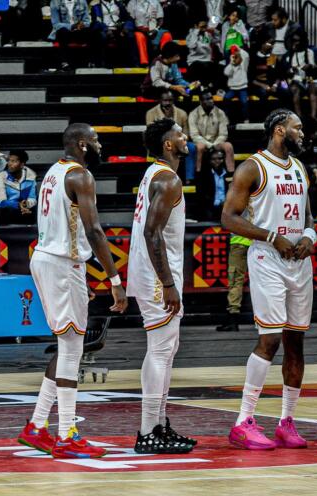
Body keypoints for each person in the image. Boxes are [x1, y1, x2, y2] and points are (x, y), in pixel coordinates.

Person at [17, 123, 127, 459]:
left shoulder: (53, 171)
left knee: (69, 346)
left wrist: (80, 275)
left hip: (52, 260)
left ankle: (37, 426)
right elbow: (94, 230)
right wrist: (114, 280)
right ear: (82, 144)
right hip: (61, 264)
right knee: (71, 349)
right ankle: (67, 434)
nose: (99, 145)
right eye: (95, 140)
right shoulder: (81, 176)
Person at [222, 109, 315, 450]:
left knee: (295, 342)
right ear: (279, 130)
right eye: (297, 128)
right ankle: (243, 421)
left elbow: (307, 216)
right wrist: (272, 237)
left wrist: (309, 236)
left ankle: (286, 422)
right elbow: (228, 218)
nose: (302, 133)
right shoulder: (253, 167)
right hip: (267, 258)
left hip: (298, 261)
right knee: (270, 339)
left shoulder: (299, 167)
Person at [127, 118, 195, 454]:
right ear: (168, 144)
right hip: (157, 275)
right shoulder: (168, 179)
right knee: (160, 349)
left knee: (166, 348)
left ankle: (159, 424)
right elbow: (151, 233)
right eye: (180, 134)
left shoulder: (155, 173)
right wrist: (167, 283)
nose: (186, 137)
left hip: (152, 271)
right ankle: (147, 430)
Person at [145, 91, 195, 184]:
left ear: (174, 100)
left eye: (170, 100)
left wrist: (176, 141)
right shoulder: (151, 113)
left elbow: (186, 134)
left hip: (178, 142)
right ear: (160, 100)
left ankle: (189, 179)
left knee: (191, 147)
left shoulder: (182, 113)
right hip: (160, 143)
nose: (168, 103)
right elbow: (151, 135)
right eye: (165, 100)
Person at [188, 89, 235, 173]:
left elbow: (223, 134)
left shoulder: (220, 113)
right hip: (202, 143)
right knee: (200, 147)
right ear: (201, 101)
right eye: (207, 99)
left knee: (228, 146)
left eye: (211, 98)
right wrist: (209, 145)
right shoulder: (193, 114)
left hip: (217, 142)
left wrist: (214, 145)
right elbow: (194, 135)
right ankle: (198, 173)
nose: (211, 101)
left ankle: (231, 174)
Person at [49, 0, 104, 70]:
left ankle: (93, 62)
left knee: (96, 33)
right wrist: (72, 26)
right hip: (64, 31)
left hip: (79, 31)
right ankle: (64, 62)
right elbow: (55, 24)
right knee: (62, 32)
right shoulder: (55, 2)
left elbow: (87, 21)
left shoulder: (82, 1)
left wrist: (82, 25)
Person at [284, 30, 317, 121]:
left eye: (297, 41)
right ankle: (299, 118)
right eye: (293, 41)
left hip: (314, 78)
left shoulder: (313, 51)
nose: (295, 43)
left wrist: (311, 66)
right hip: (298, 79)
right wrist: (291, 70)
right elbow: (284, 70)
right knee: (294, 89)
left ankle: (313, 117)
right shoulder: (289, 54)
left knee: (313, 88)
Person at [216, 233, 251, 332]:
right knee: (263, 280)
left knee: (236, 281)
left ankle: (233, 320)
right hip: (257, 244)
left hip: (239, 242)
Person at [90, 0, 138, 67]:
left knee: (130, 35)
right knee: (102, 36)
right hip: (104, 29)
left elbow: (128, 19)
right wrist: (106, 30)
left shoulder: (119, 5)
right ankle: (102, 63)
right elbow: (95, 22)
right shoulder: (96, 6)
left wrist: (126, 28)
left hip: (118, 29)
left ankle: (131, 63)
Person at [0, 149, 37, 224]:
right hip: (6, 209)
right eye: (9, 160)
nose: (9, 164)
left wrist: (26, 203)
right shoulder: (2, 176)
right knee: (6, 210)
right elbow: (2, 201)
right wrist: (18, 205)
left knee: (32, 211)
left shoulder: (30, 176)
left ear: (22, 165)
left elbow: (33, 198)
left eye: (13, 161)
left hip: (24, 209)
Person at [127, 0, 172, 66]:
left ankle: (165, 60)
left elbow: (161, 20)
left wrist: (156, 29)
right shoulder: (132, 3)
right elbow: (130, 19)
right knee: (139, 36)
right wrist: (138, 29)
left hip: (155, 29)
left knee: (166, 35)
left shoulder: (155, 2)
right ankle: (144, 62)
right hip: (139, 29)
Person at [186, 17, 220, 90]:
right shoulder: (190, 35)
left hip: (206, 61)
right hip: (194, 61)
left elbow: (217, 39)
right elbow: (191, 45)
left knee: (218, 68)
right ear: (196, 26)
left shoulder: (207, 35)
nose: (204, 29)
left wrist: (214, 31)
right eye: (202, 27)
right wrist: (196, 32)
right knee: (204, 68)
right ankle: (193, 88)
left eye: (205, 26)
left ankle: (206, 87)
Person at [197, 147, 229, 221]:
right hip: (210, 206)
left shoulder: (228, 174)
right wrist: (218, 202)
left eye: (220, 158)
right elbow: (202, 195)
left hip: (227, 208)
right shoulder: (203, 175)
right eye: (213, 159)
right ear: (209, 160)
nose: (217, 161)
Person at [223, 45, 249, 122]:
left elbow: (246, 55)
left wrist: (239, 49)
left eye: (237, 57)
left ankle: (246, 118)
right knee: (226, 98)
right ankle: (226, 118)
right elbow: (226, 73)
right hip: (232, 89)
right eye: (234, 57)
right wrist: (232, 63)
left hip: (242, 88)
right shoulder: (231, 65)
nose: (236, 58)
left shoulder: (244, 65)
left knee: (244, 102)